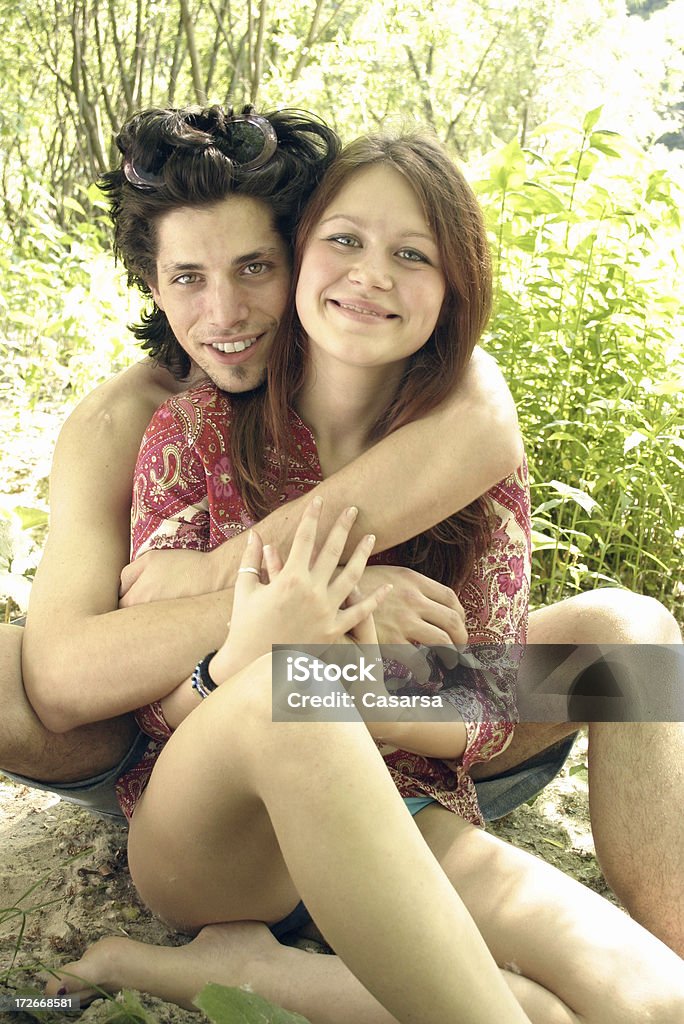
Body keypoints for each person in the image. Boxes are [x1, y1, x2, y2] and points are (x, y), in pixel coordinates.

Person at [7, 105, 682, 958]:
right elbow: (62, 678)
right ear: (152, 283)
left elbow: (484, 683)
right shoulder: (148, 422)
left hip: (415, 732)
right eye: (187, 278)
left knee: (635, 639)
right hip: (190, 751)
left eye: (255, 266)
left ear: (295, 252)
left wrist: (263, 602)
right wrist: (312, 599)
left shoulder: (452, 396)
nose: (227, 312)